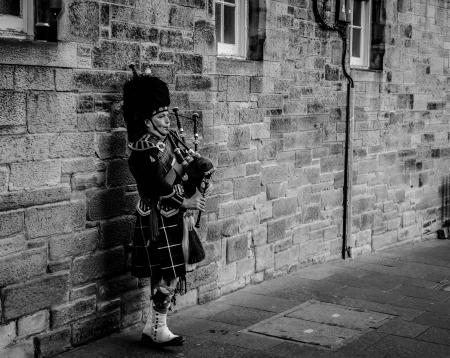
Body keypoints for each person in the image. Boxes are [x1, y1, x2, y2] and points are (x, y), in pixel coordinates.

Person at [123, 69, 211, 347]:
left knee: (169, 272)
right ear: (146, 121)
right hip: (157, 218)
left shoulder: (169, 138)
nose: (167, 120)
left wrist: (201, 169)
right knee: (167, 273)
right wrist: (186, 201)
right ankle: (158, 328)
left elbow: (186, 162)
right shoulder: (142, 151)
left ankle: (155, 327)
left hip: (173, 217)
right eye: (161, 117)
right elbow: (156, 188)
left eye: (167, 116)